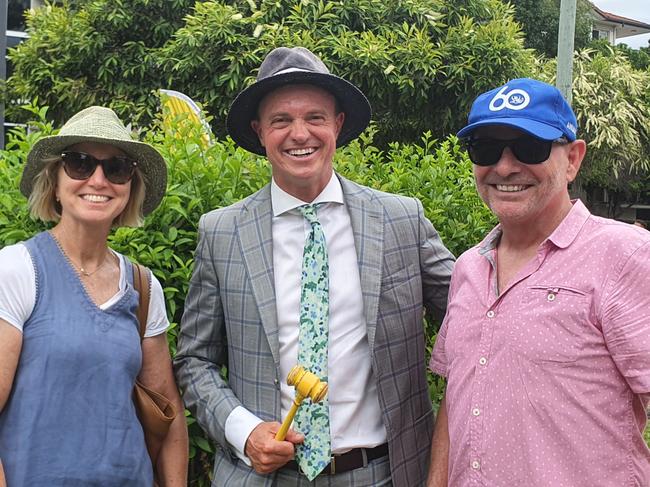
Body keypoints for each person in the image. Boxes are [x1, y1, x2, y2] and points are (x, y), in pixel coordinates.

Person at [174, 46, 455, 486]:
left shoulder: (401, 219)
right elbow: (194, 360)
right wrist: (244, 432)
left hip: (381, 473)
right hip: (264, 477)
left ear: (338, 125)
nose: (299, 134)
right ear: (260, 130)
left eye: (315, 118)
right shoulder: (222, 232)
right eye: (281, 120)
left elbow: (473, 313)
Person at [427, 78, 650, 486]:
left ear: (572, 159)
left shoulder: (626, 257)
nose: (506, 166)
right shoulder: (467, 269)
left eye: (530, 147)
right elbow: (455, 399)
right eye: (486, 148)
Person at [0, 106, 189, 486]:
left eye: (117, 168)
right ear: (54, 180)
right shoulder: (17, 270)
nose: (99, 179)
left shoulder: (141, 285)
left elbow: (168, 411)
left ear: (130, 187)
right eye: (80, 163)